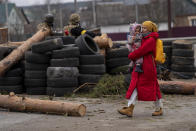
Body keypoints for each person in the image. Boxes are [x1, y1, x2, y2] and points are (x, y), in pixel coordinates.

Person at [118, 21, 163, 117]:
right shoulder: (143, 38)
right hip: (140, 66)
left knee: (153, 87)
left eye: (145, 28)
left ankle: (159, 108)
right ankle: (130, 108)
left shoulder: (151, 39)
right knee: (135, 85)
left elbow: (142, 51)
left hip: (148, 67)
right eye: (142, 27)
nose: (143, 29)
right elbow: (135, 46)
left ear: (150, 29)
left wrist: (131, 55)